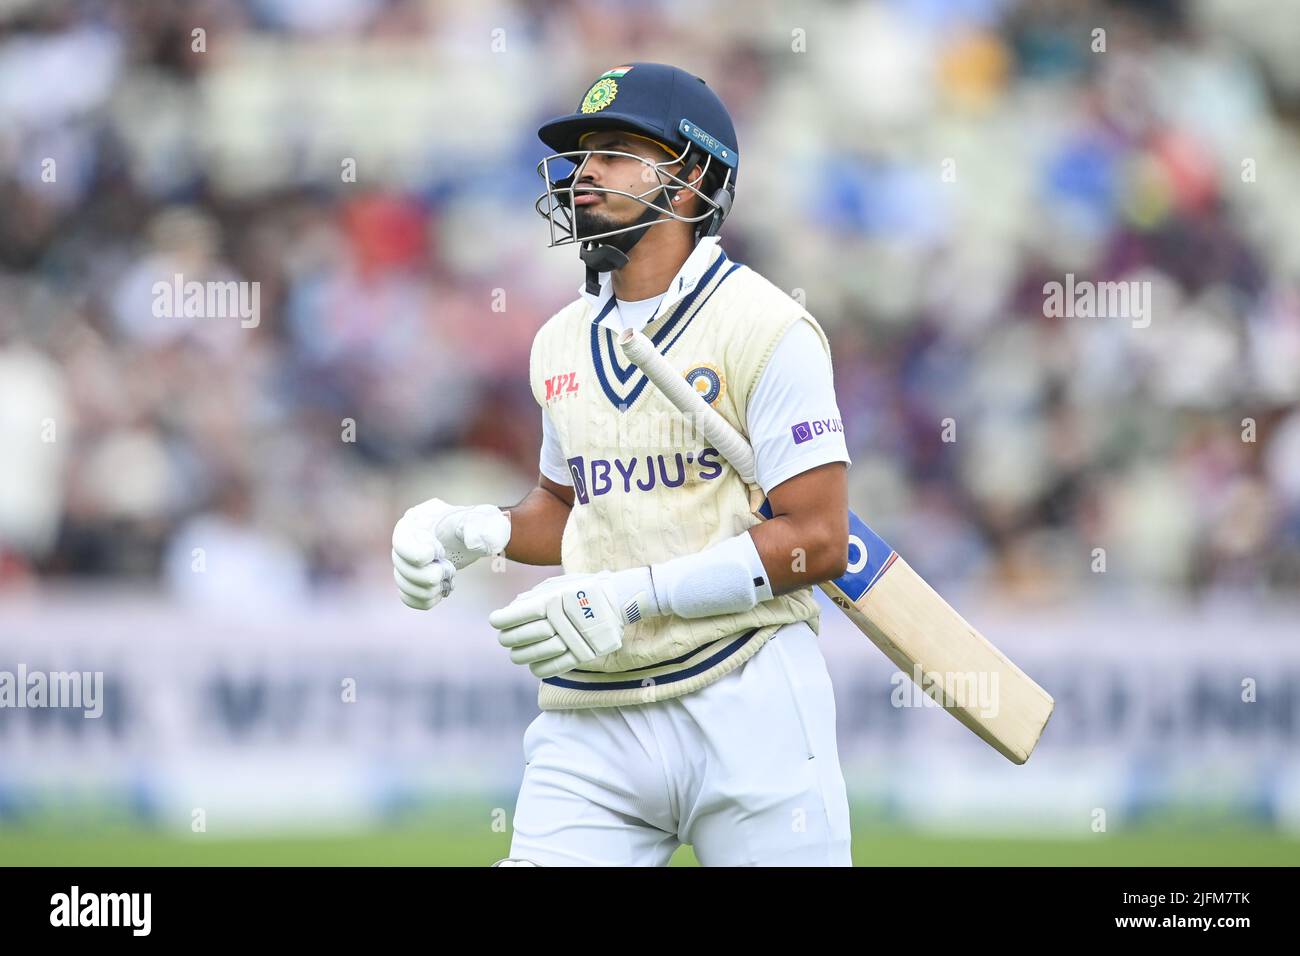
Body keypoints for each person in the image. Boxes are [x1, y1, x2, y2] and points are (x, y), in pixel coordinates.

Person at [391, 63, 854, 866]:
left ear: (691, 178)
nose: (584, 173)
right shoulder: (559, 339)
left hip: (749, 691)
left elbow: (817, 540)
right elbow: (570, 513)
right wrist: (473, 530)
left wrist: (637, 596)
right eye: (582, 154)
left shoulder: (768, 327)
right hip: (594, 707)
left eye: (615, 150)